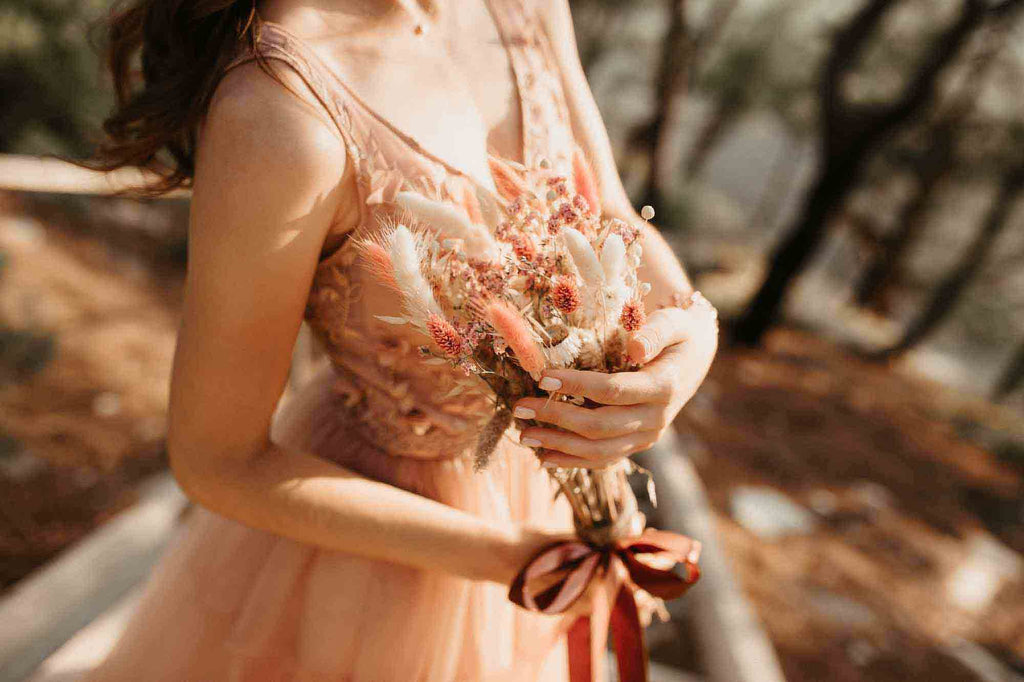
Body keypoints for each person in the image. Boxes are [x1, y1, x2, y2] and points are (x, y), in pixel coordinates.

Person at [84, 0, 719, 679]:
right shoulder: (278, 112)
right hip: (382, 559)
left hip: (560, 515)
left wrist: (690, 344)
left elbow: (611, 216)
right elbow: (218, 461)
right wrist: (516, 559)